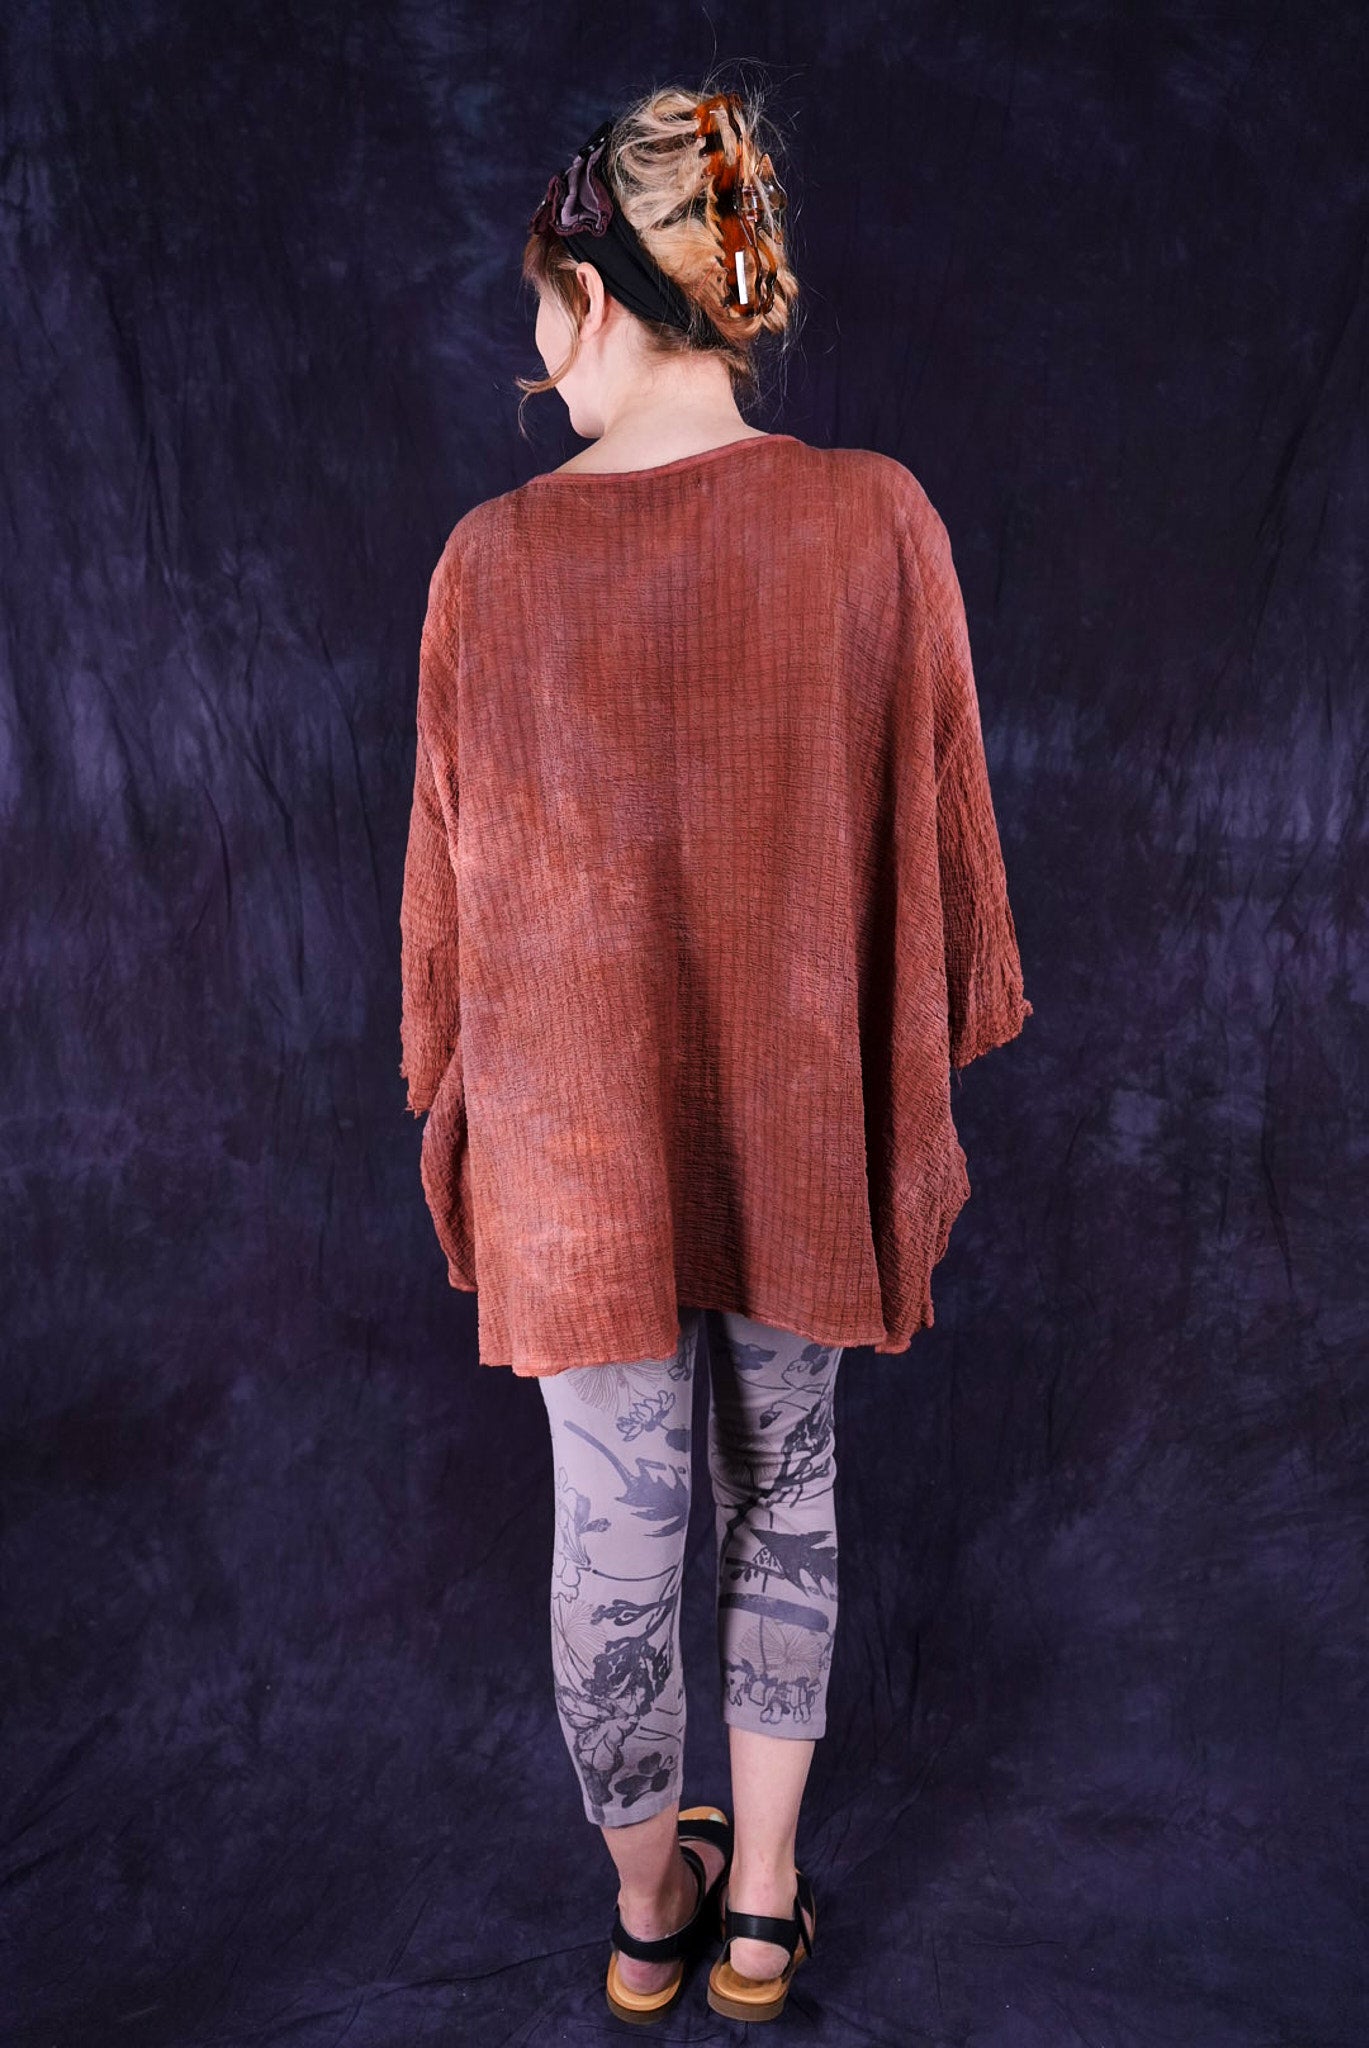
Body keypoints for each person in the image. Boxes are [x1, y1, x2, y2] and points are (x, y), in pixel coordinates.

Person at [399, 77, 1031, 2026]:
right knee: (785, 1486)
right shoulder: (875, 521)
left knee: (615, 1522)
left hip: (576, 1150)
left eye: (540, 306)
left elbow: (443, 910)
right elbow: (936, 849)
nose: (535, 351)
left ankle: (645, 1915)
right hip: (795, 1115)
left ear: (591, 293)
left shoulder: (487, 562)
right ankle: (762, 1906)